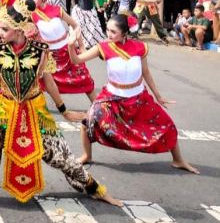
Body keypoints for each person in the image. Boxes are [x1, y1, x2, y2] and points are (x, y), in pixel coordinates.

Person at [0, 0, 120, 206]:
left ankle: (94, 188)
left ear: (19, 30)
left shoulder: (40, 50)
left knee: (63, 158)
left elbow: (50, 82)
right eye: (0, 27)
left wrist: (64, 110)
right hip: (3, 107)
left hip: (34, 110)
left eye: (5, 29)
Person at [68, 14, 198, 174]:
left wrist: (158, 96)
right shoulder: (103, 47)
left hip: (139, 98)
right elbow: (76, 60)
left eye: (113, 31)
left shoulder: (140, 47)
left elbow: (146, 73)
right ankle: (86, 155)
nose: (108, 34)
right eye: (107, 30)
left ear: (124, 33)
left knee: (167, 125)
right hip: (112, 97)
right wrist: (70, 44)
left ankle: (178, 160)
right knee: (88, 121)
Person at [30, 0, 96, 101]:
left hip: (67, 51)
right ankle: (44, 107)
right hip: (50, 55)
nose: (31, 0)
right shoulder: (32, 15)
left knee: (84, 78)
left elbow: (75, 25)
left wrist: (81, 47)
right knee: (43, 82)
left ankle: (96, 106)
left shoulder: (57, 10)